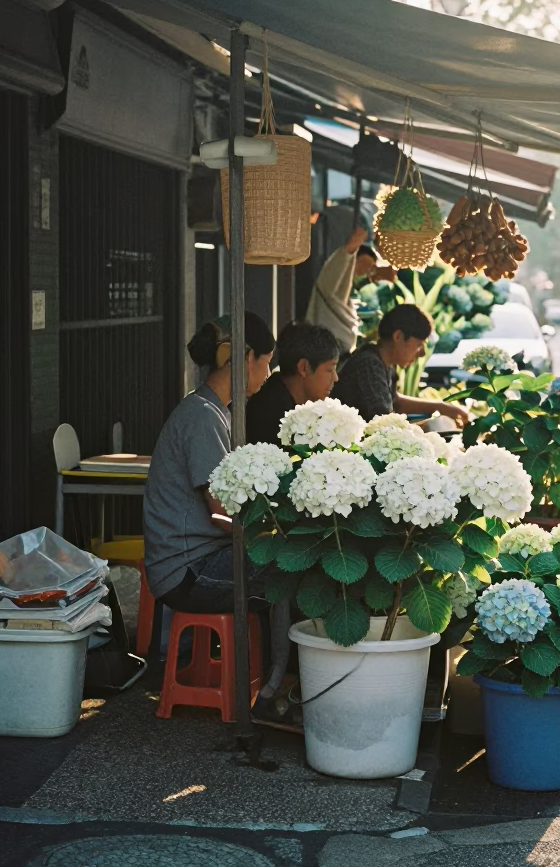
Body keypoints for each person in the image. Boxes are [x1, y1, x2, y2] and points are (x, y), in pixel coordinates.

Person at [142, 313, 275, 612]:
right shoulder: (203, 416)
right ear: (247, 356)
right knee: (295, 564)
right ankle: (280, 661)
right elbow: (222, 512)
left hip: (201, 559)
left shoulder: (211, 409)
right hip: (189, 569)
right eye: (267, 361)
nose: (268, 374)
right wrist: (275, 528)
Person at [331, 304, 469, 424]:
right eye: (419, 345)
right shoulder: (369, 364)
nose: (421, 353)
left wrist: (444, 407)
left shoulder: (384, 362)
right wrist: (427, 428)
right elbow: (383, 421)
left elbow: (396, 402)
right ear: (398, 337)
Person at [246, 323, 342, 446]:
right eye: (330, 369)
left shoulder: (289, 402)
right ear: (304, 368)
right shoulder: (270, 414)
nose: (336, 378)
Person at [305, 225, 395, 354]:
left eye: (371, 269)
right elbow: (339, 263)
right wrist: (350, 249)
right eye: (365, 266)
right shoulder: (330, 287)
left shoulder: (349, 298)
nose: (367, 273)